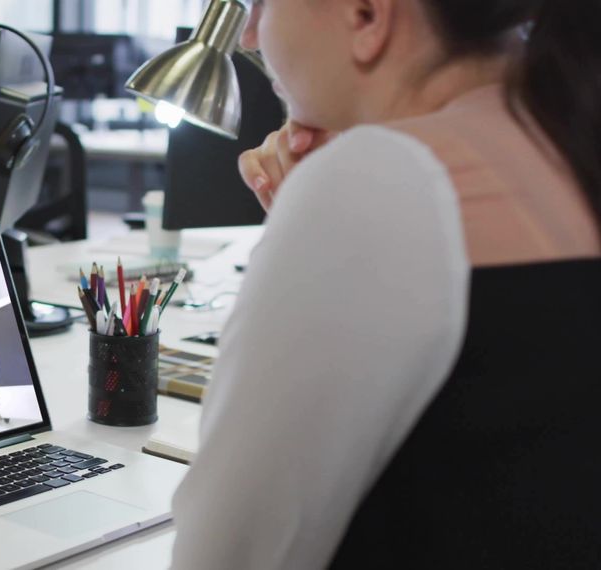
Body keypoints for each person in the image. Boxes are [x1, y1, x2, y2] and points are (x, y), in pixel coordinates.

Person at [171, 0, 601, 568]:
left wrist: (325, 213)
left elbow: (227, 553)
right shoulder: (565, 141)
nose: (249, 35)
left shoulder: (380, 181)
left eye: (264, 4)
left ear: (367, 15)